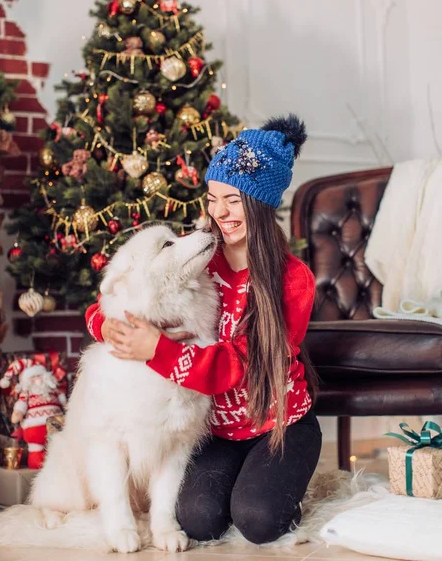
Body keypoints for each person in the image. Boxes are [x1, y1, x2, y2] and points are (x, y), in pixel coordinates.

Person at [85, 114, 322, 545]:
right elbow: (117, 299)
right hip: (217, 430)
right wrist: (109, 326)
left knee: (258, 520)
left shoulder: (292, 280)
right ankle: (243, 483)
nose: (219, 212)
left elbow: (236, 365)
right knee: (198, 520)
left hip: (279, 425)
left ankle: (281, 488)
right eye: (212, 198)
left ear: (260, 203)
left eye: (233, 200)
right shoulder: (203, 259)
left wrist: (156, 348)